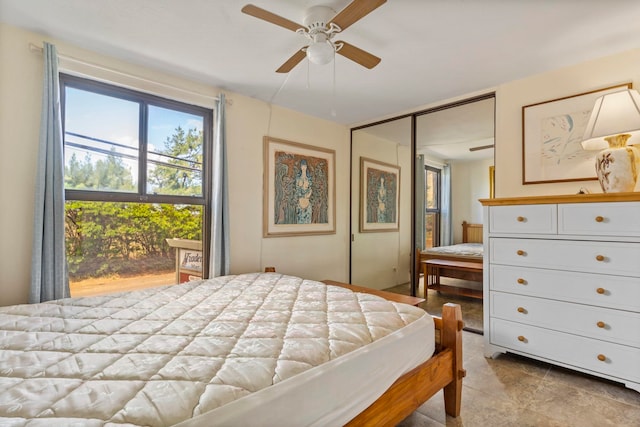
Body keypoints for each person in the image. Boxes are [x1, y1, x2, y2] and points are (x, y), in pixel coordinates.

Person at [295, 159, 313, 223]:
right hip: (300, 203)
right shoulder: (298, 178)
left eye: (305, 166)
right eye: (302, 166)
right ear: (300, 167)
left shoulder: (309, 178)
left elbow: (310, 189)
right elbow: (297, 189)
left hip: (307, 203)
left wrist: (308, 195)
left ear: (306, 167)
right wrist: (301, 195)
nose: (303, 168)